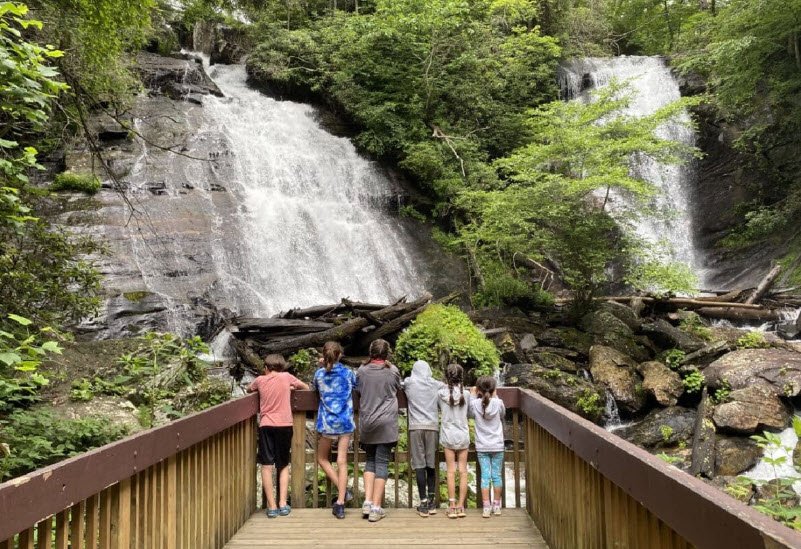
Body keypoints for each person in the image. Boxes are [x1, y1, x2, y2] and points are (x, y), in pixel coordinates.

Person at [247, 353, 309, 518]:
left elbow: (248, 389)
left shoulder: (260, 380)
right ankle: (282, 503)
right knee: (283, 465)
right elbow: (306, 387)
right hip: (285, 425)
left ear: (266, 368)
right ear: (282, 367)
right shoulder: (286, 377)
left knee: (266, 466)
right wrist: (291, 387)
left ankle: (271, 506)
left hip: (266, 425)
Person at [356, 339, 401, 523]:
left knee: (370, 462)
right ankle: (376, 507)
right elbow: (399, 388)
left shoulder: (361, 371)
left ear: (370, 352)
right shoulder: (392, 371)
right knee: (382, 463)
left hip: (367, 422)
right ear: (387, 353)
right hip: (386, 423)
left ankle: (367, 502)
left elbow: (358, 390)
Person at [312, 341, 357, 519]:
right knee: (342, 461)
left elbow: (313, 388)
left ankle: (342, 491)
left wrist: (322, 365)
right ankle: (340, 503)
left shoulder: (319, 374)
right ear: (340, 355)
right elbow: (356, 385)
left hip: (327, 423)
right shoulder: (348, 373)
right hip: (345, 422)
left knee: (322, 458)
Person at [402, 359, 444, 517]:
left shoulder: (410, 384)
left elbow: (404, 382)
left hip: (415, 427)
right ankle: (433, 502)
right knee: (431, 464)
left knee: (419, 464)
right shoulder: (434, 384)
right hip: (432, 427)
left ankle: (423, 502)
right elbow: (445, 387)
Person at [438, 363, 471, 519]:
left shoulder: (441, 394)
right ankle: (461, 506)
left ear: (446, 377)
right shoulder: (468, 394)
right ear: (461, 378)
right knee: (463, 471)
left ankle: (451, 507)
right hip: (463, 435)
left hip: (448, 434)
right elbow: (470, 412)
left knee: (450, 471)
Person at [470, 376, 506, 518]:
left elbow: (470, 412)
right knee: (496, 476)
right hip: (497, 445)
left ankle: (486, 506)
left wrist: (473, 394)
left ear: (479, 390)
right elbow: (502, 414)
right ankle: (496, 505)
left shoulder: (475, 404)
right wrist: (495, 396)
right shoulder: (498, 403)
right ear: (494, 390)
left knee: (485, 476)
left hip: (482, 446)